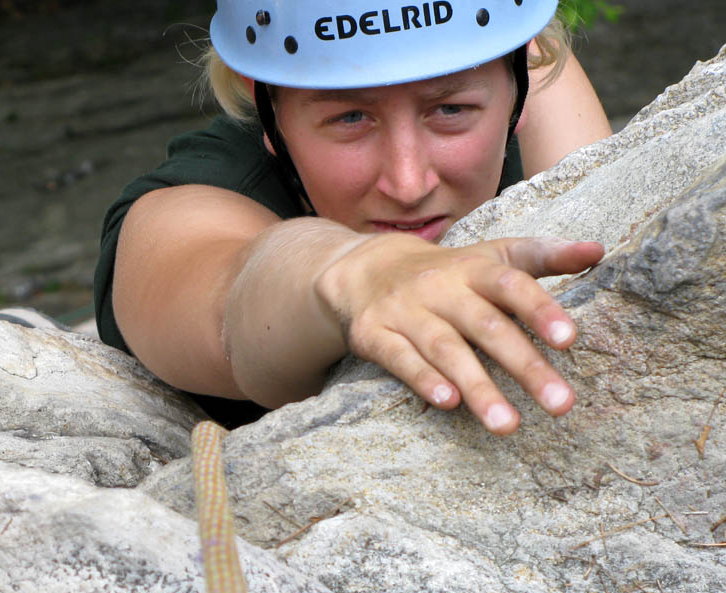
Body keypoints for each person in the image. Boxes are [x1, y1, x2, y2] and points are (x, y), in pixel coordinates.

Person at [95, 0, 612, 431]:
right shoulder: (187, 205)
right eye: (350, 118)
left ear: (521, 77)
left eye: (449, 110)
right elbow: (229, 302)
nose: (409, 185)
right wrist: (358, 272)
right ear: (264, 102)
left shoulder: (524, 68)